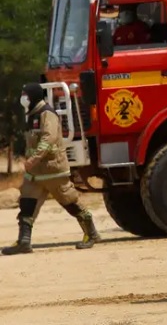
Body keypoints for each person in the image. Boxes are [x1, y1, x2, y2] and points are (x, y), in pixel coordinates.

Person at [2, 84, 100, 255]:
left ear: (33, 95)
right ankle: (24, 242)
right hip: (35, 174)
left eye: (25, 94)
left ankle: (91, 233)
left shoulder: (47, 113)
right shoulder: (31, 114)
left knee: (69, 201)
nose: (23, 97)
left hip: (53, 170)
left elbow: (48, 138)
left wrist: (34, 158)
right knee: (26, 204)